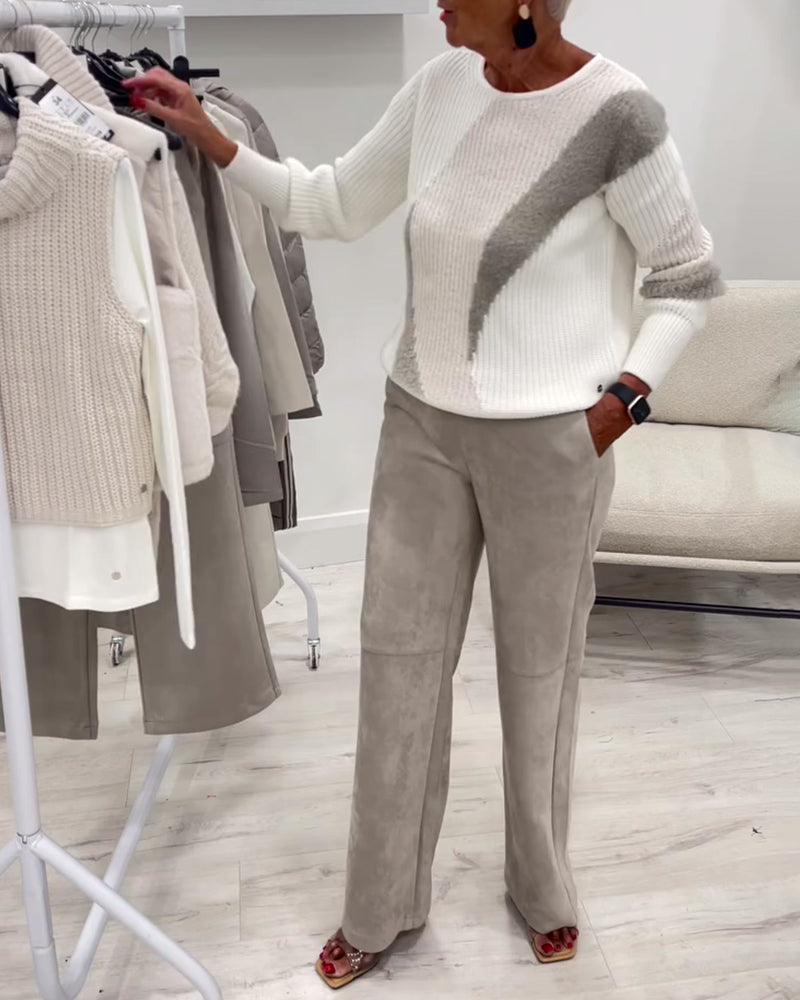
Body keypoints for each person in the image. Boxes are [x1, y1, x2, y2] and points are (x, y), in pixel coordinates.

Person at [126, 0, 722, 987]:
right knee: (397, 668)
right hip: (421, 426)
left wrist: (620, 402)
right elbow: (330, 202)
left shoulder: (619, 115)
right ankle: (380, 904)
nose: (437, 1)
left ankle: (542, 885)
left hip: (552, 442)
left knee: (539, 674)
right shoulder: (441, 87)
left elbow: (685, 277)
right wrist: (210, 135)